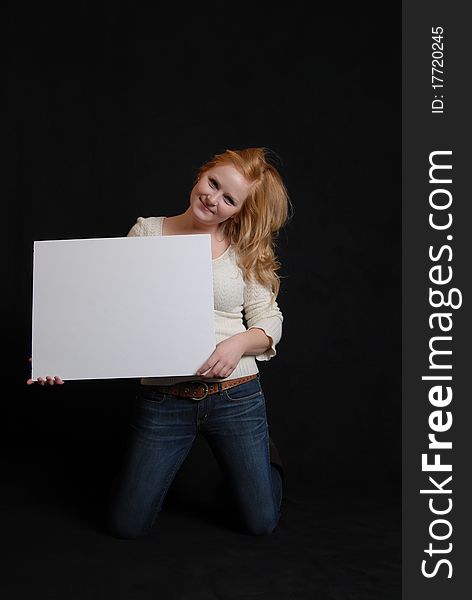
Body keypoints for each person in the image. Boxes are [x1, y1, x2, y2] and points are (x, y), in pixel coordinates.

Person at [27, 147, 291, 538]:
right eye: (212, 183)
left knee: (261, 522)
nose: (212, 198)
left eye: (228, 199)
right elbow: (115, 311)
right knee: (126, 525)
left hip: (235, 396)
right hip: (164, 400)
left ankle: (261, 462)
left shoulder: (245, 247)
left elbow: (269, 320)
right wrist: (59, 354)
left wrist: (237, 344)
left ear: (238, 210)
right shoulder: (147, 231)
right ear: (201, 174)